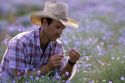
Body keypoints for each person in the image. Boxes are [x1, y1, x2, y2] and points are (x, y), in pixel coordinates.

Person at [0, 1, 80, 82]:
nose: (60, 32)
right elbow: (18, 78)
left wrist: (71, 62)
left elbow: (61, 78)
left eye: (62, 28)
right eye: (57, 27)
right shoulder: (20, 43)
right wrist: (47, 67)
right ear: (45, 23)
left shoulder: (57, 46)